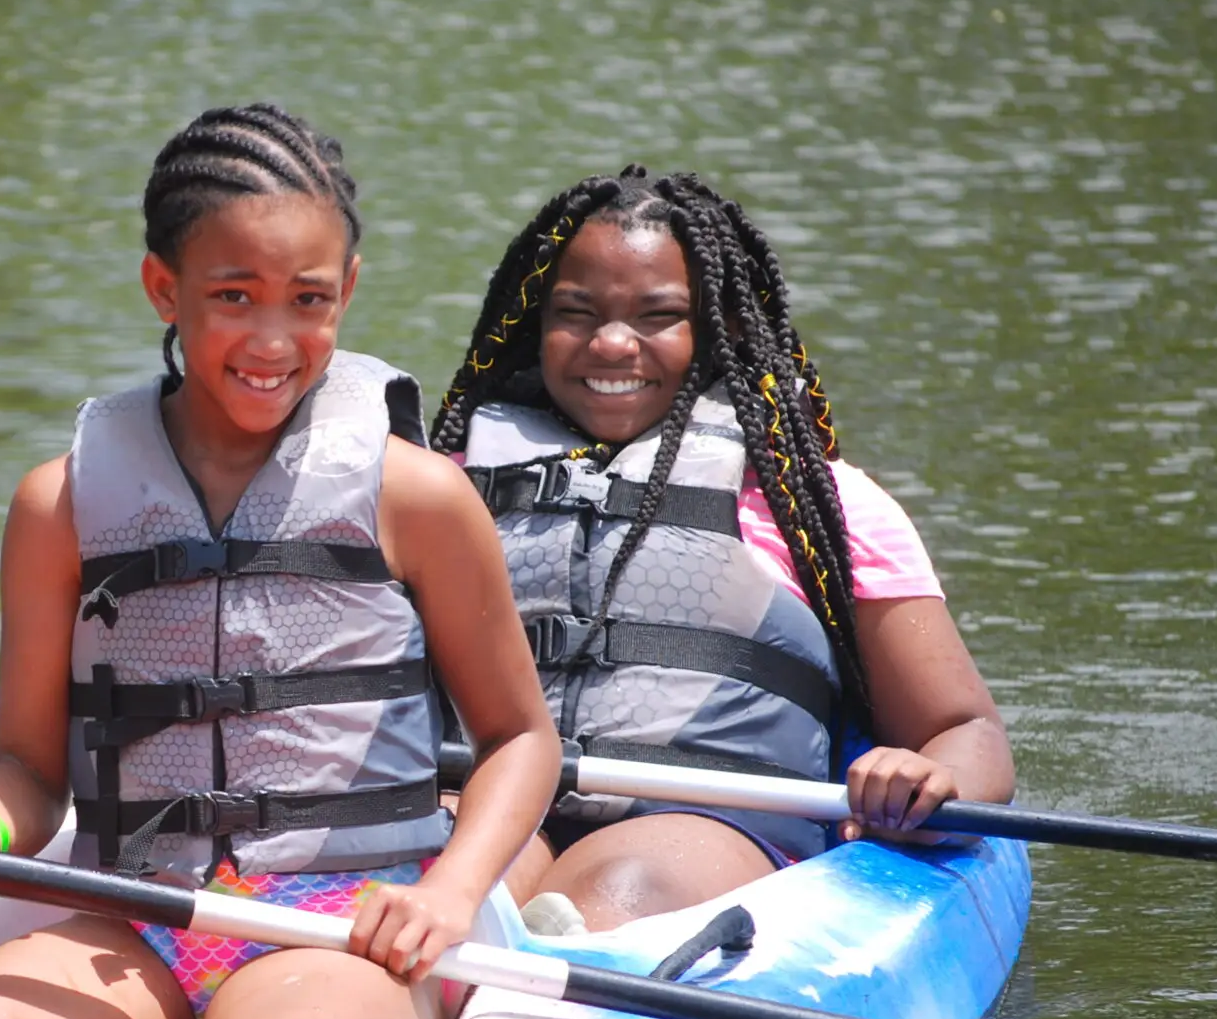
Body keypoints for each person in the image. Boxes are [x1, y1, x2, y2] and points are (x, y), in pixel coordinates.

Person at [0, 105, 565, 1019]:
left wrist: (453, 892)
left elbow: (519, 740)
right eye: (233, 297)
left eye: (308, 301)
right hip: (138, 913)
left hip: (342, 923)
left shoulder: (416, 494)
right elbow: (29, 771)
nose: (272, 340)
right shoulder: (61, 504)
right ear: (161, 290)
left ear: (348, 292)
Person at [427, 166, 1016, 933]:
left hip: (710, 826)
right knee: (456, 879)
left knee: (619, 892)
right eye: (576, 313)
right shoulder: (444, 488)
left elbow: (966, 733)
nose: (610, 342)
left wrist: (926, 776)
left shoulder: (818, 508)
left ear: (720, 328)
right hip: (484, 802)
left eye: (657, 315)